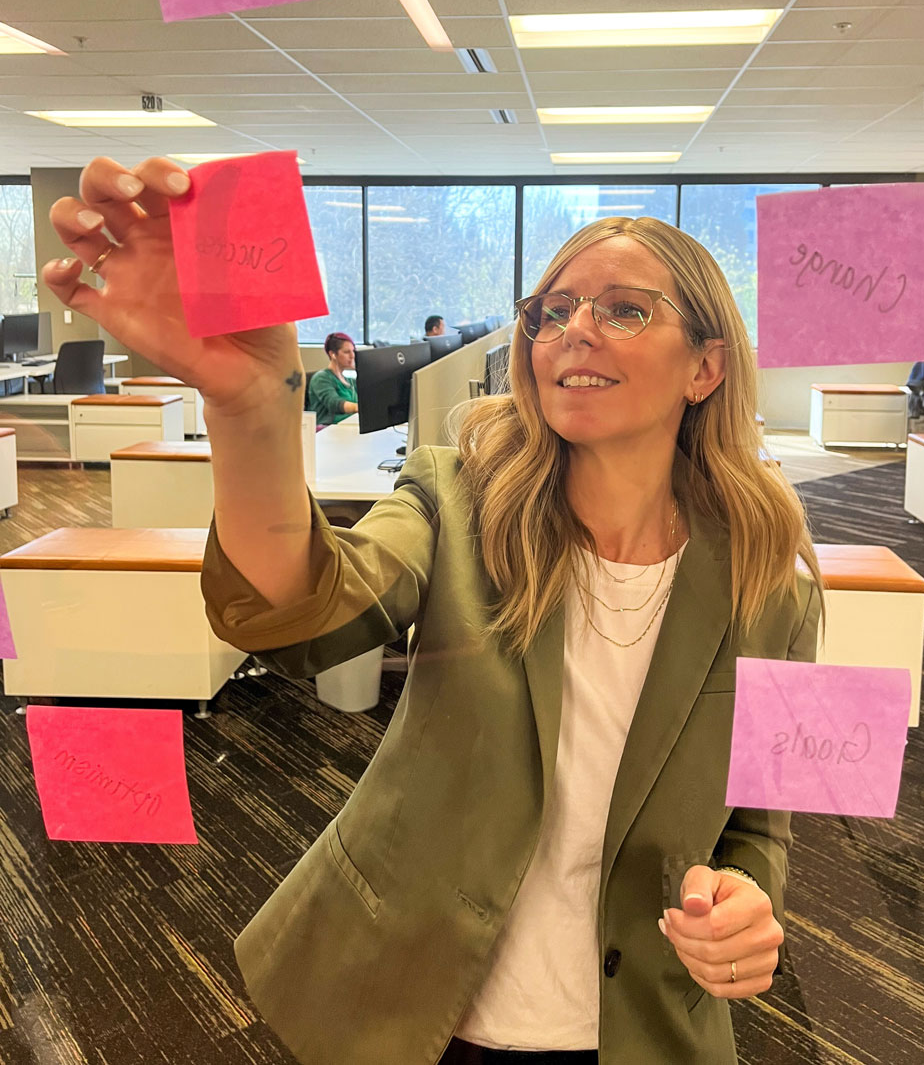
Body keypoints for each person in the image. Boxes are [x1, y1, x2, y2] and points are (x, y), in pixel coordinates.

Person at [42, 157, 823, 1065]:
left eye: (624, 308)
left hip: (637, 1020)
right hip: (418, 1004)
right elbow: (300, 615)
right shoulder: (455, 496)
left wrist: (748, 900)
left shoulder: (777, 585)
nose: (575, 329)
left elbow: (763, 824)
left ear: (706, 366)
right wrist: (253, 411)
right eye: (552, 310)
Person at [307, 332, 357, 425]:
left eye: (353, 351)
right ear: (332, 354)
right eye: (347, 352)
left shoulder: (350, 381)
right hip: (327, 429)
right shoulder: (321, 378)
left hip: (349, 427)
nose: (352, 356)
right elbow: (334, 403)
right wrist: (357, 408)